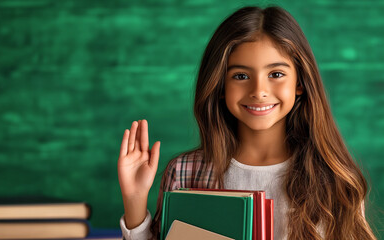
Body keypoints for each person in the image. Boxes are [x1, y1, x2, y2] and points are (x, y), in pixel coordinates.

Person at [117, 6, 376, 240]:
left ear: (299, 83)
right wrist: (134, 200)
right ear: (219, 85)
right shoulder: (184, 172)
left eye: (276, 74)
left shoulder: (335, 180)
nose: (259, 91)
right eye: (240, 75)